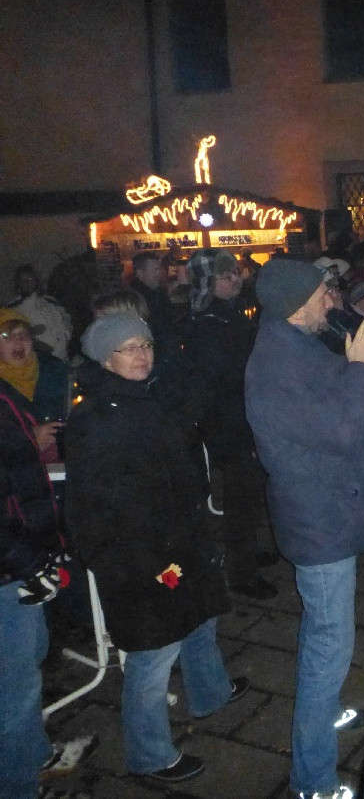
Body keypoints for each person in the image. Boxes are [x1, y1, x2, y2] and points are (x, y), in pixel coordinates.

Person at [65, 314, 242, 784]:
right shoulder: (98, 418)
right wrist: (137, 565)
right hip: (142, 558)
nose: (142, 355)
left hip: (179, 541)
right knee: (153, 652)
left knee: (201, 618)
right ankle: (148, 756)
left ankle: (210, 694)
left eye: (145, 344)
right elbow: (92, 508)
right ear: (106, 358)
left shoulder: (150, 397)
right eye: (128, 348)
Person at [245, 257, 364, 799]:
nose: (331, 301)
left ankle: (327, 712)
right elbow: (339, 427)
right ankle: (312, 779)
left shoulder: (295, 345)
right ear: (296, 301)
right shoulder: (276, 362)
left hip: (329, 510)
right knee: (328, 644)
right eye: (322, 294)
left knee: (326, 634)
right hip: (319, 522)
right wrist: (361, 366)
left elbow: (335, 399)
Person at [0, 342, 97, 799]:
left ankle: (33, 755)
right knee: (13, 684)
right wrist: (29, 562)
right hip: (10, 567)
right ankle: (20, 786)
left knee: (29, 658)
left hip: (23, 554)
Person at [185, 249, 276, 600]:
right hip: (229, 424)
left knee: (250, 496)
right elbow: (222, 378)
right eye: (226, 276)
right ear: (210, 283)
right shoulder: (208, 324)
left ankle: (250, 554)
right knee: (240, 499)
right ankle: (242, 573)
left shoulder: (229, 315)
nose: (235, 279)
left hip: (241, 418)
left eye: (236, 273)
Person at [0, 308, 69, 431]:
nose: (18, 342)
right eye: (7, 335)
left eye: (23, 334)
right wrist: (29, 441)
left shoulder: (55, 370)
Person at [7, 264, 71, 362]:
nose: (27, 283)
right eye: (23, 281)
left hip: (62, 357)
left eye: (30, 279)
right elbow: (7, 336)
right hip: (38, 361)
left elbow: (66, 319)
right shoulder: (13, 309)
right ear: (18, 284)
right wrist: (30, 334)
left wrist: (66, 335)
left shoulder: (50, 302)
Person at [129, 252, 182, 368]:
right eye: (155, 270)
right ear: (140, 273)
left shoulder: (157, 292)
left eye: (159, 269)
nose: (159, 273)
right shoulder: (135, 300)